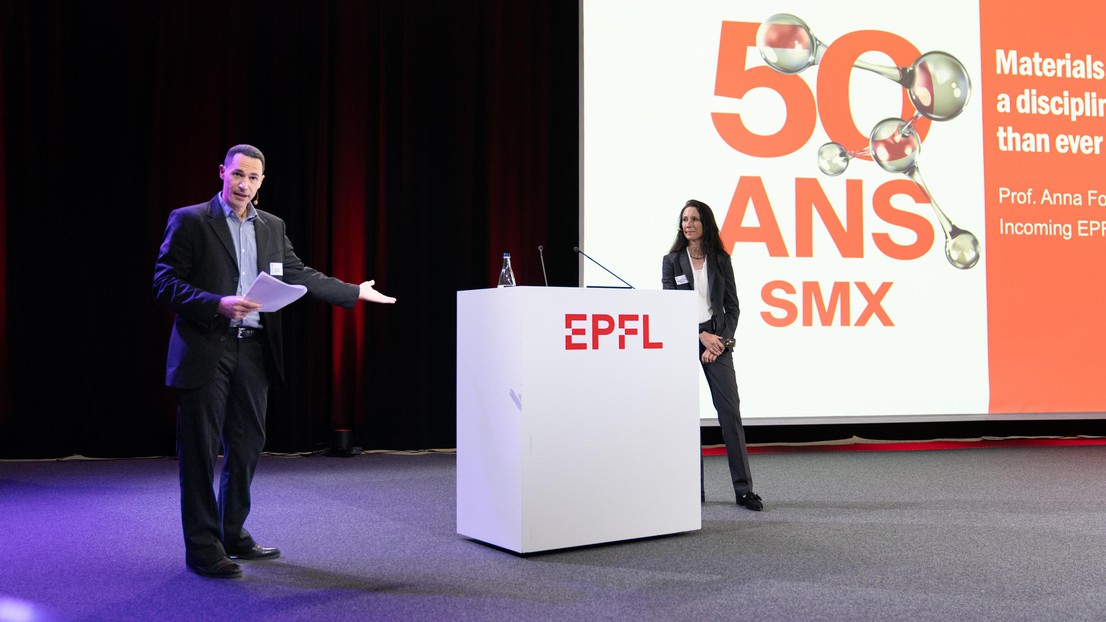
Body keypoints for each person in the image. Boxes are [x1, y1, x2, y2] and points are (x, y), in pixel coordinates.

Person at [152, 144, 396, 579]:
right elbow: (165, 283)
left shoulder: (272, 226)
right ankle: (203, 548)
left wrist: (353, 291)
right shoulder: (190, 220)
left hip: (255, 350)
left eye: (254, 178)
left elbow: (298, 273)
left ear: (262, 183)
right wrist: (216, 303)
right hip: (208, 347)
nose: (244, 185)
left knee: (246, 447)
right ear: (222, 172)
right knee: (200, 452)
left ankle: (232, 531)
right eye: (238, 175)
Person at [661, 199, 762, 511]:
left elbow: (733, 308)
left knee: (730, 414)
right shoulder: (671, 260)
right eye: (684, 219)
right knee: (687, 418)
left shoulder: (721, 259)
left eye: (694, 219)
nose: (688, 224)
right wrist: (698, 336)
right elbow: (670, 309)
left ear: (705, 223)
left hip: (717, 342)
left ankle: (744, 491)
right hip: (685, 340)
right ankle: (694, 492)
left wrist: (721, 343)